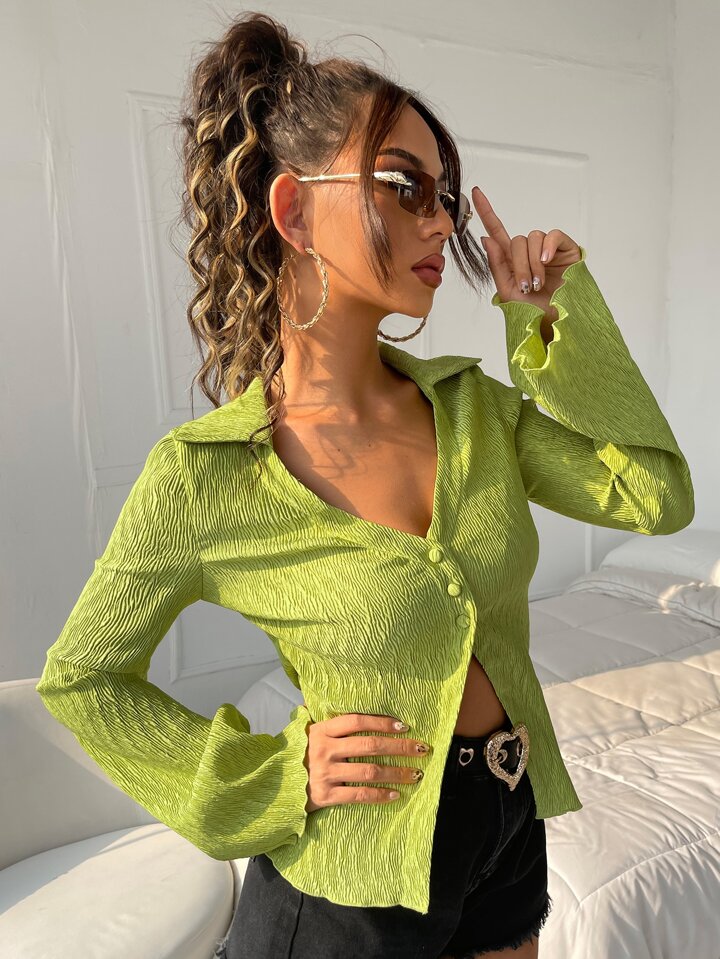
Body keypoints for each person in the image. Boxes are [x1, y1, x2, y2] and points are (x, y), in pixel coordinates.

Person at [36, 11, 695, 959]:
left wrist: (554, 321)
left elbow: (655, 499)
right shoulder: (208, 476)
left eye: (444, 195)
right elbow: (84, 678)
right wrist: (272, 775)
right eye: (403, 185)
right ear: (295, 212)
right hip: (348, 896)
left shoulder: (475, 412)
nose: (442, 221)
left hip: (510, 821)